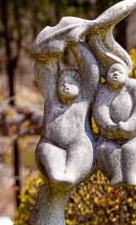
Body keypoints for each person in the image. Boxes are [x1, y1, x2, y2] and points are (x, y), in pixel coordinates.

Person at [33, 33, 100, 189]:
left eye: (70, 83)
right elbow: (45, 72)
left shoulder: (83, 99)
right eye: (62, 83)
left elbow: (91, 72)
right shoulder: (52, 100)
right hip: (52, 144)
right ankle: (59, 176)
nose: (65, 86)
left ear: (80, 85)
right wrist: (51, 49)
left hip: (79, 144)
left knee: (75, 164)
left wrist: (75, 44)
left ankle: (68, 174)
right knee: (54, 169)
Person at [92, 61, 136, 186]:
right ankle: (116, 175)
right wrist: (109, 126)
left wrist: (129, 126)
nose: (115, 74)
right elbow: (100, 111)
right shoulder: (104, 91)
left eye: (119, 72)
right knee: (106, 149)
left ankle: (132, 173)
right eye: (112, 72)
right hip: (109, 136)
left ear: (126, 74)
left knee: (134, 148)